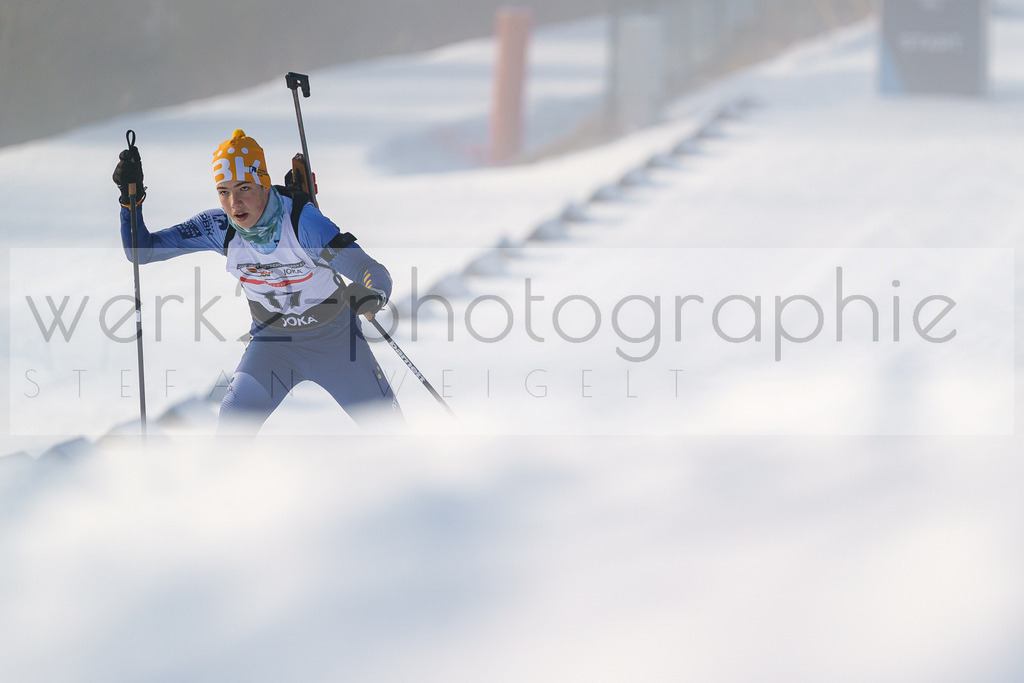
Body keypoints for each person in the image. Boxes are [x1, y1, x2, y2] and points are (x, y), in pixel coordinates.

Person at [113, 129, 403, 433]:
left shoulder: (302, 223)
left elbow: (367, 268)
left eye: (244, 188)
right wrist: (130, 202)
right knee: (233, 425)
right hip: (273, 347)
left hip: (336, 344)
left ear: (264, 184)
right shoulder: (219, 227)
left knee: (391, 432)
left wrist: (372, 293)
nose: (235, 203)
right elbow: (142, 252)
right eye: (223, 192)